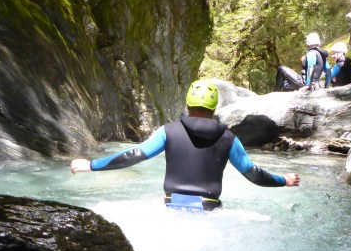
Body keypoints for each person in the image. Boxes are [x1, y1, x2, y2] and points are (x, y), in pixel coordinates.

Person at [70, 80, 300, 211]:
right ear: (214, 108)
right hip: (208, 209)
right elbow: (253, 174)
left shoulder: (167, 131)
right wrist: (284, 181)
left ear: (188, 104)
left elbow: (136, 154)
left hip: (170, 205)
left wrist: (92, 165)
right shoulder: (229, 138)